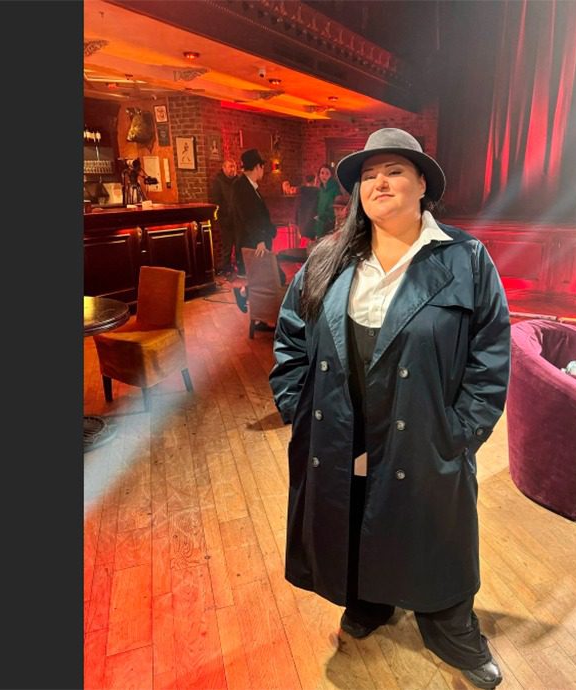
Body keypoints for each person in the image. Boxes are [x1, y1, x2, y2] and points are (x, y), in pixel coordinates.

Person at [268, 128, 510, 689]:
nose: (379, 182)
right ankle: (370, 598)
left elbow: (490, 353)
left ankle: (449, 627)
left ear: (423, 184)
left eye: (394, 170)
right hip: (339, 434)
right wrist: (298, 409)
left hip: (427, 436)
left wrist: (459, 432)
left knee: (435, 529)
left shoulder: (466, 259)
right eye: (368, 175)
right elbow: (290, 340)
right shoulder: (328, 258)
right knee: (354, 513)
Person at [231, 148, 284, 320]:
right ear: (257, 167)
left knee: (265, 280)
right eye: (262, 167)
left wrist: (270, 230)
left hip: (259, 241)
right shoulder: (240, 187)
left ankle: (260, 313)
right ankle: (244, 294)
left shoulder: (250, 186)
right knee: (274, 278)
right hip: (253, 243)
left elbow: (259, 215)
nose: (263, 170)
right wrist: (260, 240)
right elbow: (248, 217)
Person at [209, 158, 239, 276]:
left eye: (234, 166)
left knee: (239, 245)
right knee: (227, 246)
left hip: (238, 219)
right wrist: (223, 216)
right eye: (230, 166)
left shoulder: (238, 181)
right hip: (226, 219)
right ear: (224, 168)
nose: (233, 169)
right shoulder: (218, 182)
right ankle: (226, 268)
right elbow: (216, 201)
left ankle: (240, 267)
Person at [312, 163, 340, 240]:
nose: (324, 176)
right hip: (319, 224)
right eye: (322, 173)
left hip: (330, 224)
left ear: (331, 175)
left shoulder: (335, 189)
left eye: (327, 173)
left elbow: (338, 209)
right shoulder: (321, 189)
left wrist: (323, 216)